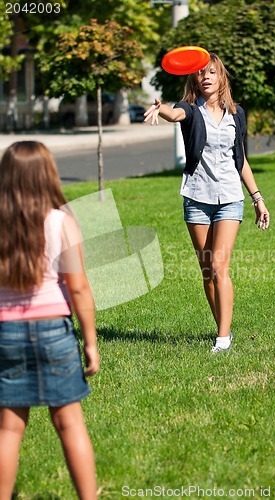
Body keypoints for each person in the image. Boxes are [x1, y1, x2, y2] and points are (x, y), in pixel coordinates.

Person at [144, 52, 270, 353]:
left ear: (221, 76)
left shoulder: (236, 113)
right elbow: (176, 116)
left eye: (211, 72)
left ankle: (222, 340)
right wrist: (161, 110)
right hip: (197, 197)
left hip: (229, 198)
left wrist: (257, 198)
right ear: (194, 79)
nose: (206, 77)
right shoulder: (188, 108)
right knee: (207, 271)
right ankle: (222, 327)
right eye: (201, 73)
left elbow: (240, 160)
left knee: (218, 265)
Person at [0, 141, 100, 499]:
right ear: (48, 175)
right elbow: (80, 289)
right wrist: (90, 342)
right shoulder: (61, 223)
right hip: (54, 334)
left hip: (6, 334)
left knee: (9, 430)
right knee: (69, 423)